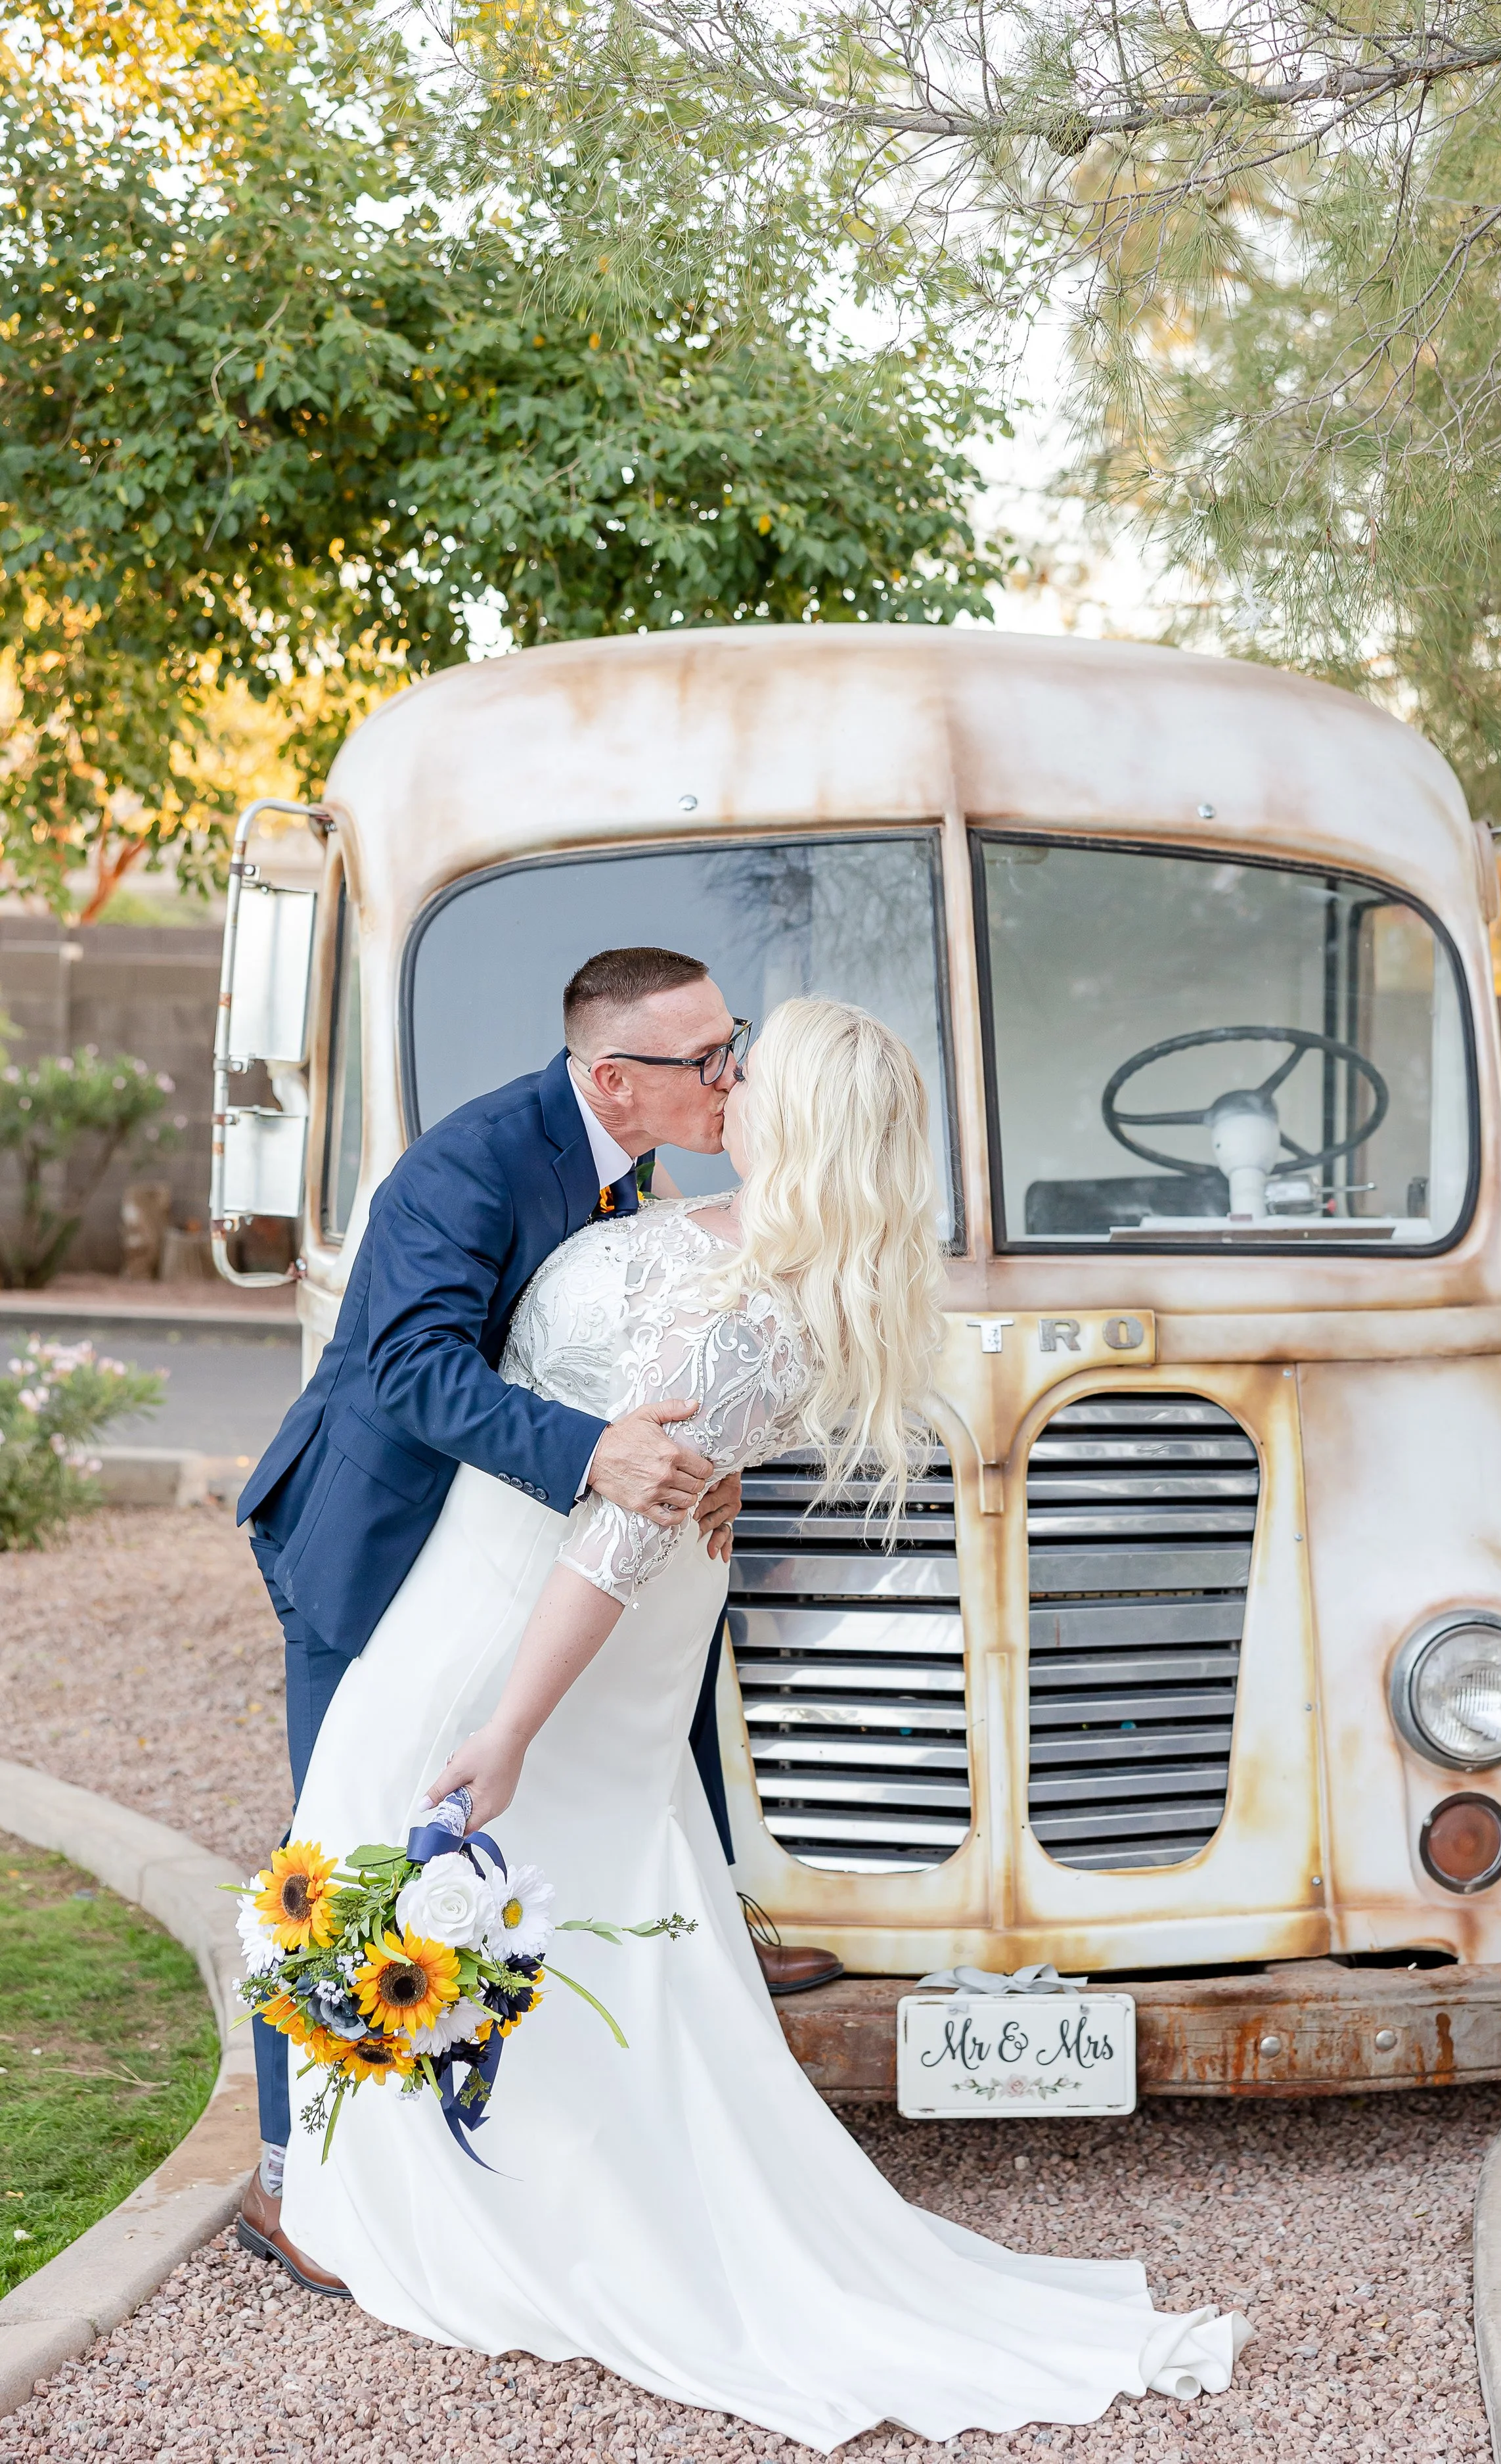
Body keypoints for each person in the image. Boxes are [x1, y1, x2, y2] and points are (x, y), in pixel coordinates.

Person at [275, 997, 1250, 2443]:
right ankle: (409, 2179)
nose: (727, 1079)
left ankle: (474, 2207)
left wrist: (513, 1723)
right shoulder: (701, 1229)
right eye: (716, 1058)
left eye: (751, 1066)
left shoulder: (748, 1302)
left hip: (518, 1624)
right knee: (486, 1887)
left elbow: (615, 1541)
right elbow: (559, 1419)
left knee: (442, 1865)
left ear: (797, 1115)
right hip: (485, 1575)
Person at [235, 947, 840, 2300]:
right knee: (341, 1832)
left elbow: (637, 1340)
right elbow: (410, 1370)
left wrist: (709, 1457)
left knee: (612, 1746)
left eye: (731, 1045)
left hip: (518, 1543)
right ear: (611, 1079)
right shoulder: (472, 1165)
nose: (732, 1075)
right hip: (372, 1538)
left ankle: (658, 1982)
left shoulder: (641, 1165)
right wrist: (598, 1457)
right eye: (707, 1061)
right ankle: (285, 2177)